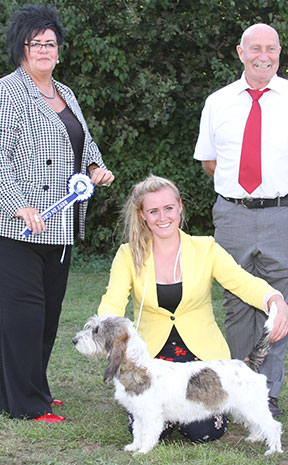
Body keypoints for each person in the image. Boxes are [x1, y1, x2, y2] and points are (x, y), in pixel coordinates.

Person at [97, 174, 288, 443]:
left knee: (203, 432)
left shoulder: (205, 248)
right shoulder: (128, 255)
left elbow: (242, 282)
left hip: (202, 360)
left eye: (168, 208)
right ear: (142, 215)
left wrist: (273, 299)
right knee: (156, 431)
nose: (162, 217)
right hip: (153, 361)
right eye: (153, 211)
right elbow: (113, 299)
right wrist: (104, 324)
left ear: (179, 208)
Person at [0, 4, 114, 422]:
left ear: (59, 50)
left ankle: (31, 389)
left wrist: (94, 168)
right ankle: (27, 404)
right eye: (35, 43)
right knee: (24, 317)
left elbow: (81, 144)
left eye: (50, 43)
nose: (44, 50)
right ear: (21, 49)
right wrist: (18, 205)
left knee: (47, 316)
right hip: (19, 227)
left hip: (61, 224)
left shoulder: (66, 93)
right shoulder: (7, 92)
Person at [193, 23, 288, 417]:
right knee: (237, 304)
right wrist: (241, 192)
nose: (264, 56)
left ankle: (267, 394)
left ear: (279, 52)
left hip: (284, 215)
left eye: (271, 49)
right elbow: (209, 161)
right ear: (241, 52)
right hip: (233, 214)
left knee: (275, 304)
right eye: (256, 48)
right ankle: (239, 389)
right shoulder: (217, 101)